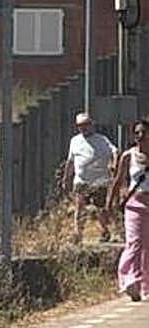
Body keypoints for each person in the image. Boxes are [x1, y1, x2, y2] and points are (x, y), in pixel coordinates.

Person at [108, 118, 149, 302]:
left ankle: (146, 285)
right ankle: (129, 280)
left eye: (144, 132)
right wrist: (110, 203)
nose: (140, 136)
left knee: (148, 247)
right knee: (134, 243)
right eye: (137, 133)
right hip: (134, 205)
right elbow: (117, 181)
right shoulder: (128, 156)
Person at [63, 112, 116, 243]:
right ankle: (78, 234)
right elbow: (70, 161)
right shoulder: (75, 141)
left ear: (92, 125)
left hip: (99, 181)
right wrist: (66, 178)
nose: (84, 127)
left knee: (100, 208)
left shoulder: (102, 139)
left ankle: (105, 231)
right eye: (80, 125)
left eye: (86, 124)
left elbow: (114, 150)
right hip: (81, 181)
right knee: (79, 207)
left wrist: (114, 163)